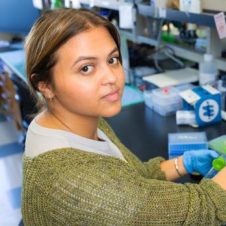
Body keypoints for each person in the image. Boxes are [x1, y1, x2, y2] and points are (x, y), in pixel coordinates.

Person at [22, 8, 226, 226]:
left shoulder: (76, 120)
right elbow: (208, 208)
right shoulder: (73, 180)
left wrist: (184, 163)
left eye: (112, 59)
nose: (112, 77)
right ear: (44, 85)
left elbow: (135, 176)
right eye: (86, 68)